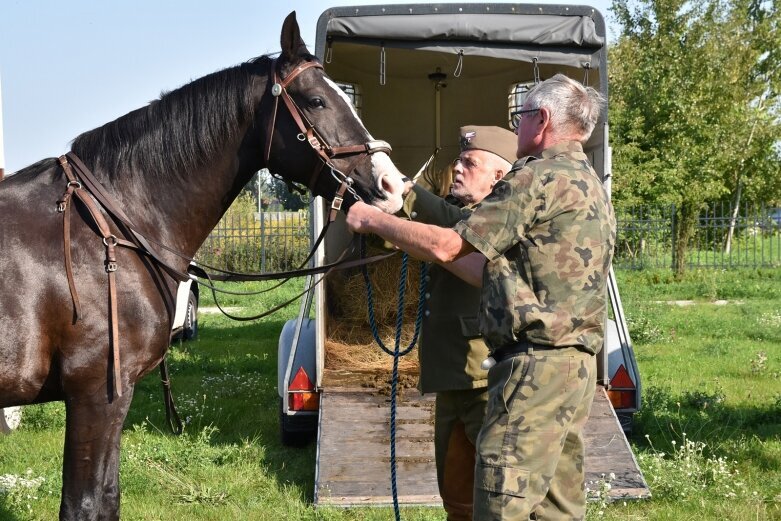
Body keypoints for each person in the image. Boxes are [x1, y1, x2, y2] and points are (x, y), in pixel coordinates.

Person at [346, 73, 615, 520]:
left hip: (533, 367)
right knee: (557, 510)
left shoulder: (537, 178)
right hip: (576, 367)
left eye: (521, 115)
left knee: (497, 505)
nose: (518, 125)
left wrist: (372, 221)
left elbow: (448, 245)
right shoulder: (587, 182)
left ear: (542, 119)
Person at [399, 125, 517, 521]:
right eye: (458, 161)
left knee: (497, 498)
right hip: (453, 375)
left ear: (498, 177)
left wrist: (405, 192)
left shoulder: (500, 218)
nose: (458, 169)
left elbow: (447, 228)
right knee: (456, 498)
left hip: (487, 378)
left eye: (470, 162)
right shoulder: (461, 214)